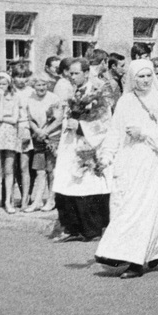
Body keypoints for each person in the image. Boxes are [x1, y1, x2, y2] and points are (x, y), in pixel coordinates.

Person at [94, 60, 158, 279]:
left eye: (148, 76)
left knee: (141, 208)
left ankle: (135, 260)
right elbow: (115, 131)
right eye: (140, 77)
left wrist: (144, 133)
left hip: (150, 161)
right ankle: (152, 248)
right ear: (132, 78)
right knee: (125, 205)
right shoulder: (124, 102)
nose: (145, 81)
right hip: (127, 161)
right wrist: (106, 155)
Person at [53, 58, 111, 242]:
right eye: (70, 73)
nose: (72, 76)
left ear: (86, 73)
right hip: (71, 143)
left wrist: (80, 126)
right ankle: (72, 227)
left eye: (76, 73)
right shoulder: (74, 93)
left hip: (87, 143)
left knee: (87, 184)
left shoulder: (96, 95)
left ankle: (91, 229)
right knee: (67, 182)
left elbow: (104, 122)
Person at [23, 73, 60, 212]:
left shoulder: (54, 98)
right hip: (38, 137)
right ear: (34, 86)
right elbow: (29, 118)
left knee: (51, 170)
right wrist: (38, 131)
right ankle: (37, 201)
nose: (42, 87)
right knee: (40, 171)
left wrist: (46, 131)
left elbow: (58, 119)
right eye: (38, 85)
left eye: (44, 84)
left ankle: (51, 200)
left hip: (53, 136)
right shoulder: (30, 99)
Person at [0, 72, 20, 215]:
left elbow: (14, 119)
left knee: (9, 169)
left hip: (10, 134)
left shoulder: (15, 98)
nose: (2, 87)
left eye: (4, 84)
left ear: (9, 84)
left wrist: (2, 118)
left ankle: (8, 201)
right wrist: (0, 98)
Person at [11, 63, 34, 210]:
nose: (21, 80)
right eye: (18, 76)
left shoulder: (31, 92)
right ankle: (10, 199)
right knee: (11, 166)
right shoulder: (9, 91)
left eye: (24, 76)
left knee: (24, 166)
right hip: (10, 128)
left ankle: (26, 198)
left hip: (25, 127)